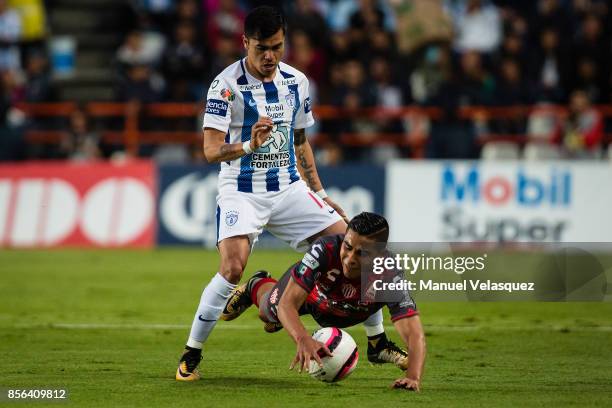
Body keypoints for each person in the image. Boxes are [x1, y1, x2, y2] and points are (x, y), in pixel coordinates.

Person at [176, 6, 397, 381]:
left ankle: (377, 341)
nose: (270, 56)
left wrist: (320, 192)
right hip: (242, 190)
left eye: (277, 47)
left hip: (289, 188)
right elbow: (211, 151)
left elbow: (300, 142)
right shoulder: (225, 86)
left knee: (355, 245)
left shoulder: (297, 81)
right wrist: (248, 144)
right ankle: (191, 354)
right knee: (231, 267)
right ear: (244, 42)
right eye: (261, 48)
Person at [221, 212, 427, 391]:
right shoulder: (324, 249)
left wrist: (412, 377)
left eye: (362, 253)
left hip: (345, 311)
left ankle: (378, 345)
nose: (350, 258)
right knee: (269, 313)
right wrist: (302, 338)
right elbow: (287, 304)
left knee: (370, 293)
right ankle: (256, 284)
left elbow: (414, 332)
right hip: (310, 296)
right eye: (347, 246)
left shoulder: (390, 273)